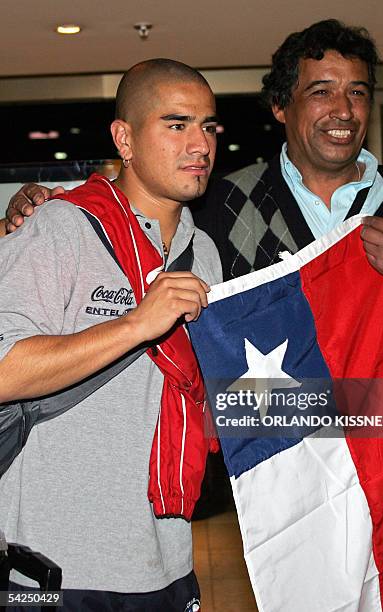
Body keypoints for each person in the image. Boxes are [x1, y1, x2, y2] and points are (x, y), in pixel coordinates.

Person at [0, 58, 222, 611]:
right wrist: (134, 325)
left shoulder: (205, 252)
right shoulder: (59, 227)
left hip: (166, 559)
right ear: (124, 138)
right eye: (176, 124)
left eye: (209, 126)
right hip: (55, 567)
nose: (200, 144)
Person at [195, 19, 383, 335]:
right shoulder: (226, 202)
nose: (344, 110)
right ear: (280, 106)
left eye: (357, 92)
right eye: (322, 92)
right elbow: (200, 335)